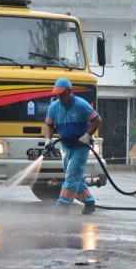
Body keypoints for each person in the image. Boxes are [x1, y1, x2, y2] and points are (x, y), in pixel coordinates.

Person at [44, 77, 102, 214]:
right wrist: (48, 140)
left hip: (80, 147)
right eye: (57, 93)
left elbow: (97, 120)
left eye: (62, 93)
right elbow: (48, 125)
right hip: (66, 147)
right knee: (76, 177)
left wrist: (87, 136)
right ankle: (89, 202)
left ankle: (62, 206)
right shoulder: (54, 107)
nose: (59, 96)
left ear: (70, 91)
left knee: (71, 176)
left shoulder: (81, 105)